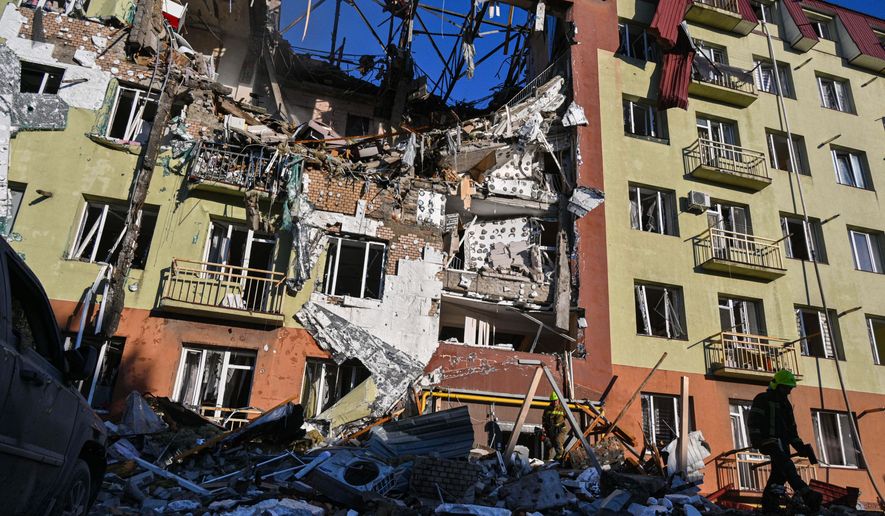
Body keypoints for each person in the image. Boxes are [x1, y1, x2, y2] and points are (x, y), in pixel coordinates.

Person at [748, 369, 823, 513]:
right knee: (787, 466)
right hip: (769, 443)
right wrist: (757, 440)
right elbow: (753, 422)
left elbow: (791, 430)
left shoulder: (785, 405)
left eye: (790, 388)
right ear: (777, 386)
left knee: (779, 475)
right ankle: (807, 494)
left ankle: (770, 505)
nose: (788, 391)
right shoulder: (762, 399)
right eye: (786, 388)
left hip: (782, 444)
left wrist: (800, 446)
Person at [542, 392, 567, 460]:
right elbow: (544, 419)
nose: (555, 402)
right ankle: (547, 461)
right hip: (551, 429)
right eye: (553, 400)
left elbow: (570, 417)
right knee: (548, 444)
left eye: (556, 400)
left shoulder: (562, 408)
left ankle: (559, 459)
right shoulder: (547, 409)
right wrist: (544, 429)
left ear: (558, 400)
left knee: (558, 441)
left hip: (561, 429)